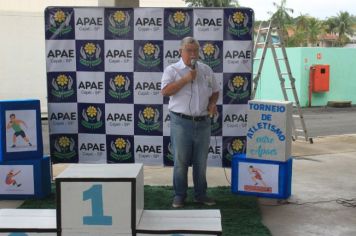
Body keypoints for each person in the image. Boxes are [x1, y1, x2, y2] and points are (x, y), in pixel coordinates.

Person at [161, 37, 220, 208]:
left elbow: (215, 91)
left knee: (201, 162)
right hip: (181, 122)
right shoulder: (172, 70)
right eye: (189, 50)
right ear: (181, 51)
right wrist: (186, 79)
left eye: (195, 50)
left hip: (203, 122)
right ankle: (179, 195)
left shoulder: (206, 70)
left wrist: (212, 103)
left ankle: (200, 194)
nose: (193, 54)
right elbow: (165, 91)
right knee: (181, 161)